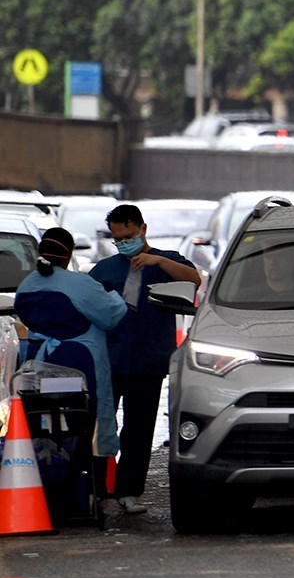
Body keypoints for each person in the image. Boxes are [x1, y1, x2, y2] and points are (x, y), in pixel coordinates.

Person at [89, 204, 201, 515]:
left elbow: (194, 279)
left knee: (139, 428)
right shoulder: (105, 270)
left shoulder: (165, 263)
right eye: (117, 239)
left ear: (143, 229)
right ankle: (98, 489)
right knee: (101, 427)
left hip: (148, 360)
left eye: (128, 236)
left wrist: (158, 260)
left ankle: (129, 491)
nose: (124, 243)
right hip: (110, 357)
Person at [14, 227, 126, 463]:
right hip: (80, 367)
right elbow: (111, 315)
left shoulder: (25, 286)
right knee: (86, 422)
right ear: (68, 255)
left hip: (39, 368)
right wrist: (115, 296)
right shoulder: (79, 284)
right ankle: (91, 481)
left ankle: (48, 467)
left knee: (44, 420)